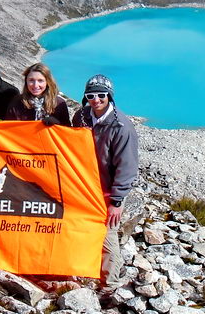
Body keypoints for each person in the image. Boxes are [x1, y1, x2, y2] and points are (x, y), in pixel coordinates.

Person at [72, 74, 138, 288]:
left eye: (101, 95)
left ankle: (110, 284)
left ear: (109, 96)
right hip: (84, 187)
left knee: (107, 236)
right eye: (90, 95)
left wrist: (116, 202)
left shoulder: (121, 126)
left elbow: (127, 167)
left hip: (108, 191)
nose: (96, 99)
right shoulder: (80, 117)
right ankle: (84, 271)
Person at [4, 63, 71, 126]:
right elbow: (8, 128)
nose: (35, 85)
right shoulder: (17, 102)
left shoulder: (59, 104)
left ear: (47, 82)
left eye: (40, 80)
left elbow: (66, 132)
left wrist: (57, 124)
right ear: (26, 81)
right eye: (31, 80)